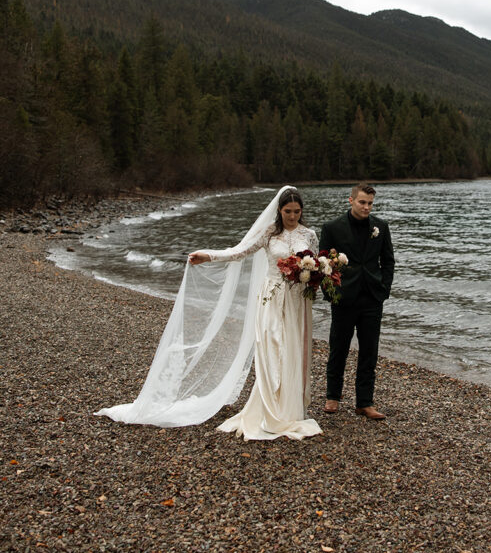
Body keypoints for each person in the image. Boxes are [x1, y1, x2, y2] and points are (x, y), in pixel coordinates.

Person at [96, 186, 322, 441]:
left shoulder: (309, 234)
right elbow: (239, 251)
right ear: (279, 210)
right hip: (270, 298)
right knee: (270, 349)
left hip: (296, 302)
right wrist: (208, 256)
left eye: (297, 211)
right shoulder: (269, 233)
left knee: (292, 351)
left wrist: (318, 274)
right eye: (287, 211)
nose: (292, 216)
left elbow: (313, 266)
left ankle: (291, 410)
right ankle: (270, 410)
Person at [319, 183, 394, 420]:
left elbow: (388, 261)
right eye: (362, 202)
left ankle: (365, 402)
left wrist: (384, 289)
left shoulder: (380, 227)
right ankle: (333, 397)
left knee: (369, 351)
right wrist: (331, 293)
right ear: (350, 200)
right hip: (343, 297)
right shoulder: (332, 228)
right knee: (338, 347)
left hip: (372, 297)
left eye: (370, 203)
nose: (366, 207)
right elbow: (323, 263)